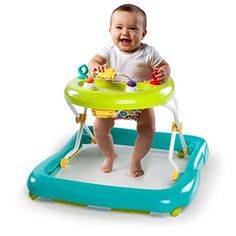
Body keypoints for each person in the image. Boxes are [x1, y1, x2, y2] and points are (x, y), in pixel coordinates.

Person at [88, 4, 170, 177]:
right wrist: (95, 67)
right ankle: (110, 155)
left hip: (140, 102)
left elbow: (164, 65)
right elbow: (94, 61)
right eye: (119, 27)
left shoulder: (148, 53)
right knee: (99, 129)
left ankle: (136, 159)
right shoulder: (109, 50)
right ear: (110, 30)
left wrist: (163, 72)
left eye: (133, 28)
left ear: (143, 33)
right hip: (112, 101)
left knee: (148, 131)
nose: (125, 32)